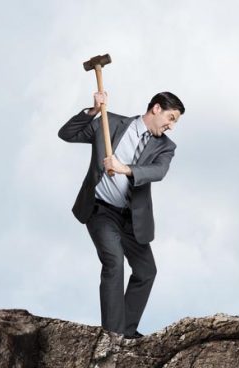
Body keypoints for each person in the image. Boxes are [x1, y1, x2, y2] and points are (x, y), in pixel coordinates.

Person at [58, 91, 184, 338]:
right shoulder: (109, 122)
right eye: (171, 118)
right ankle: (114, 336)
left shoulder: (166, 147)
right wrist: (93, 111)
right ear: (156, 109)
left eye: (175, 122)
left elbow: (158, 171)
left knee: (146, 271)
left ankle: (127, 330)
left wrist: (123, 168)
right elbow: (67, 134)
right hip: (101, 211)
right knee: (113, 262)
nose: (171, 126)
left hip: (132, 218)